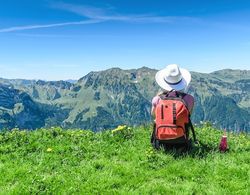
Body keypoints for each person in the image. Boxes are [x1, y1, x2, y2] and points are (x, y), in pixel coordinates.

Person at [151, 64, 195, 150]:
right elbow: (188, 115)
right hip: (181, 141)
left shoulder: (157, 99)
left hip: (160, 142)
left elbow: (153, 115)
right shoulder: (189, 99)